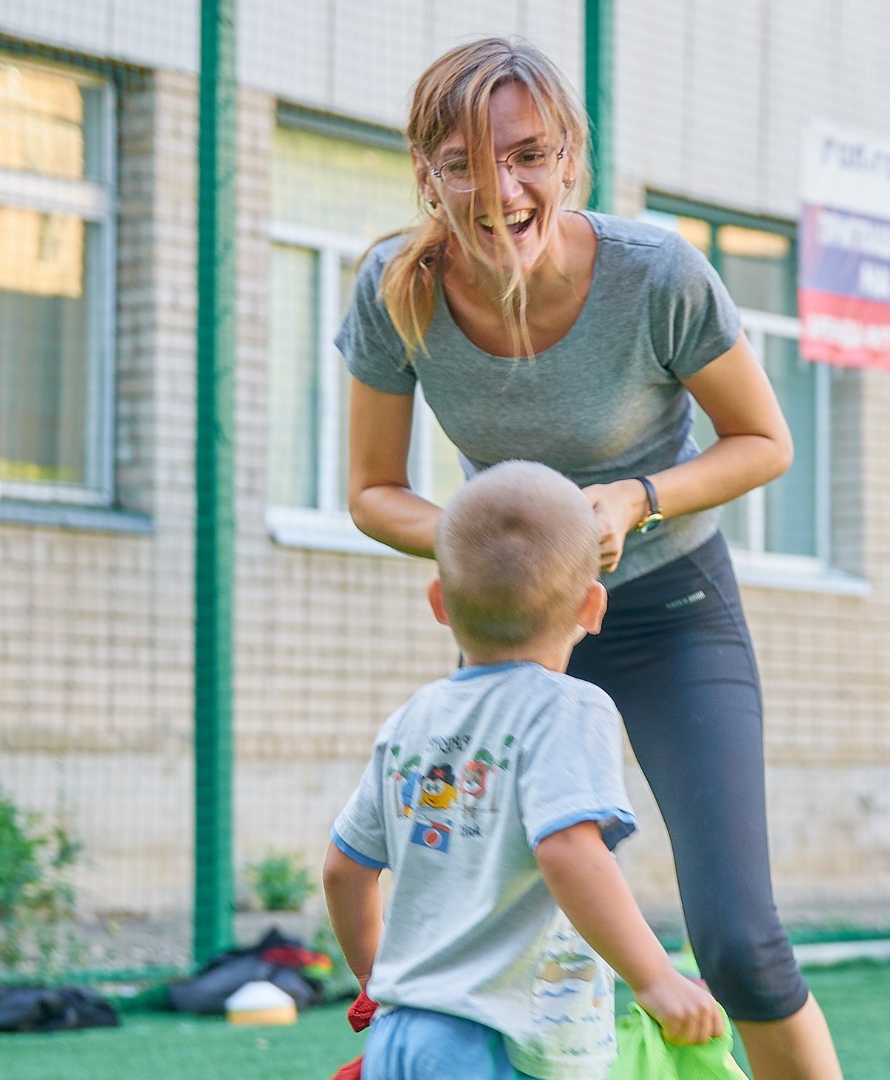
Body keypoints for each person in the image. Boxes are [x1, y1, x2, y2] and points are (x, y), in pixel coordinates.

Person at [335, 36, 842, 1078]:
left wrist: (633, 500)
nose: (499, 189)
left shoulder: (659, 277)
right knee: (503, 955)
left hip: (669, 612)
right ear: (427, 173)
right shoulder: (396, 291)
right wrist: (497, 545)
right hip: (515, 638)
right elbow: (371, 492)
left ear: (570, 158)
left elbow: (765, 443)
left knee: (740, 947)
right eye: (463, 161)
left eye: (526, 154)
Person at [322, 461, 722, 1079]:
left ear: (439, 604)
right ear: (593, 606)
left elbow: (344, 868)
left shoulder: (412, 719)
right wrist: (656, 977)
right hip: (502, 1045)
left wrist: (377, 977)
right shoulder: (569, 708)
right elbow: (567, 849)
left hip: (398, 1036)